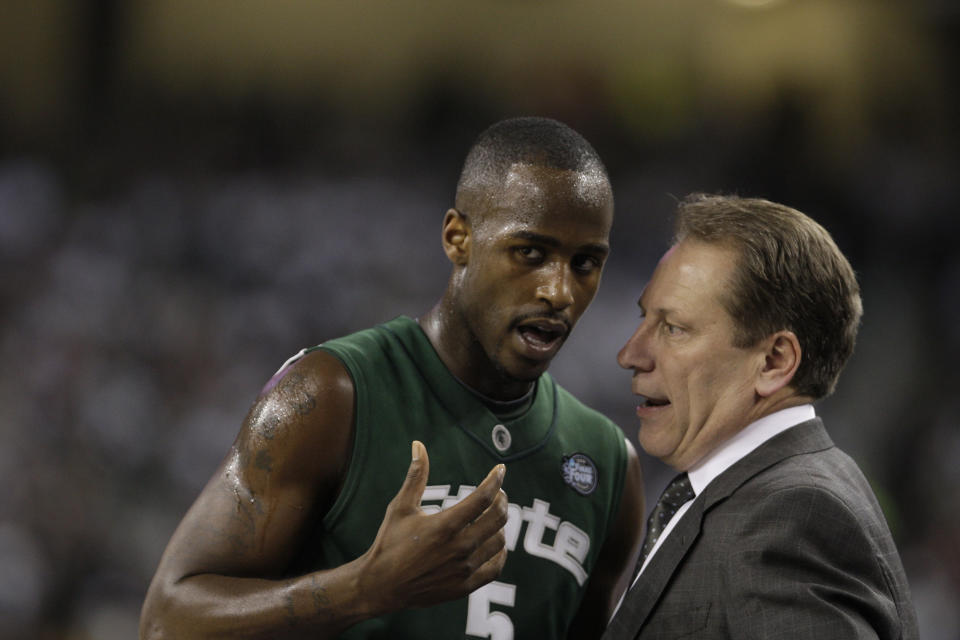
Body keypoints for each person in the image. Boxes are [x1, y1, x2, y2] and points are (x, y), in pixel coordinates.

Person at [140, 117, 645, 639]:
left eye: (585, 262)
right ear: (458, 239)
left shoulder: (607, 465)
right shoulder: (330, 395)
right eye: (530, 253)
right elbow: (167, 621)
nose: (559, 291)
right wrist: (363, 588)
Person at [605, 194, 918, 639]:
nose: (629, 354)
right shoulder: (750, 495)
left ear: (773, 361)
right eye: (643, 319)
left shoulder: (791, 515)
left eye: (673, 328)